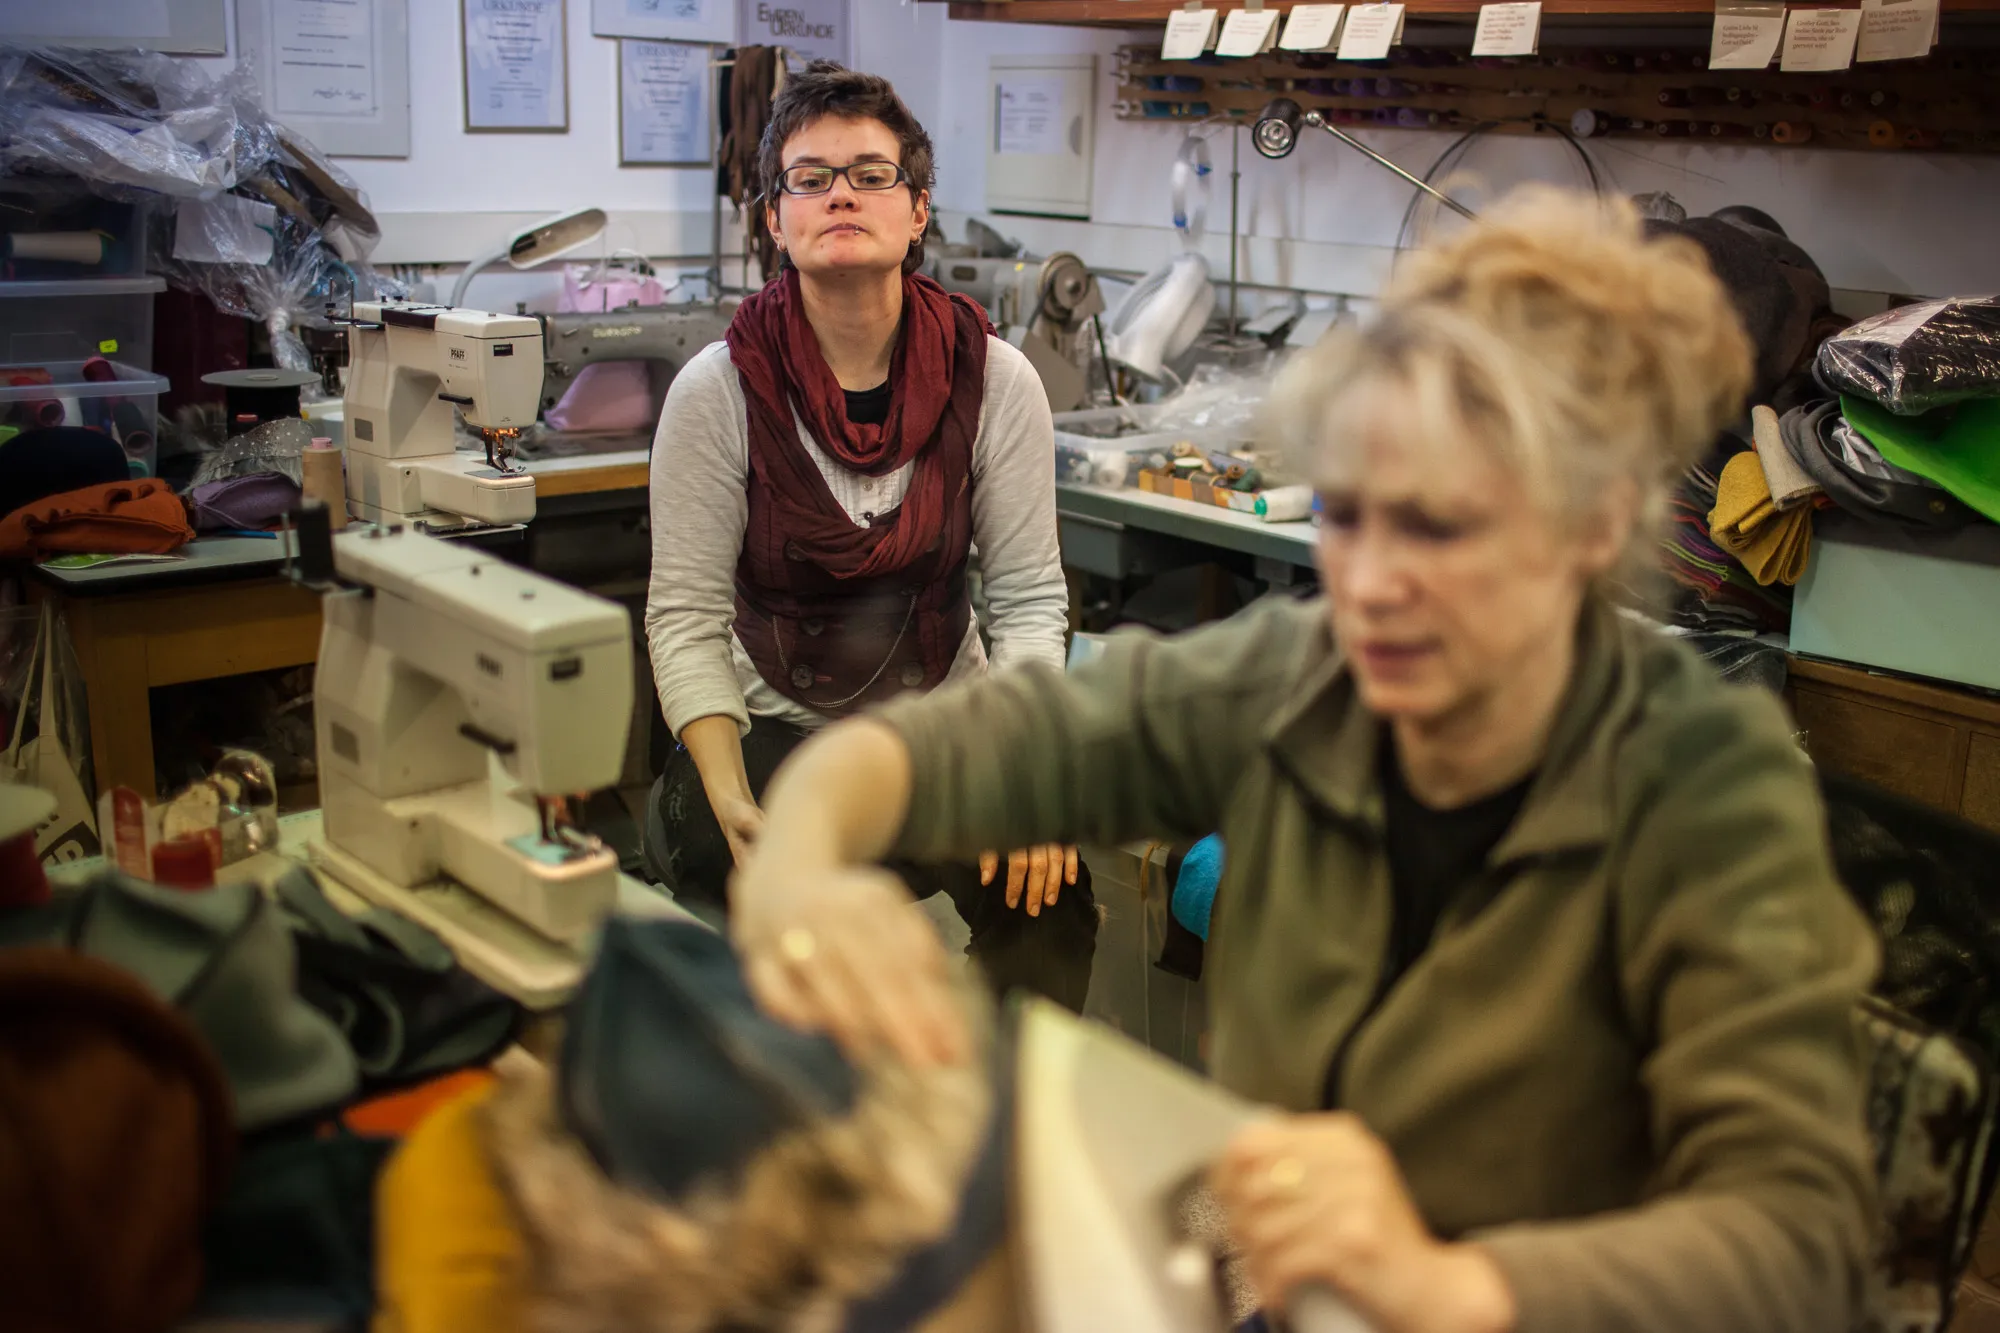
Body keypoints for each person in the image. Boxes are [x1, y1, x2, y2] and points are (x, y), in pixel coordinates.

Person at [729, 188, 1880, 1333]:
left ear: (1588, 528)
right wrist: (803, 855)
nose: (1369, 583)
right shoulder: (1306, 679)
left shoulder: (1703, 783)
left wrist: (1450, 1286)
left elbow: (1800, 1243)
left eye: (1440, 526)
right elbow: (970, 748)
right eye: (1345, 515)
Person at [642, 62, 1096, 1010]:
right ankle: (772, 1134)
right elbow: (684, 617)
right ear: (775, 218)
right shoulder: (715, 392)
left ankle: (993, 1128)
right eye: (808, 177)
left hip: (943, 729)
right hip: (775, 732)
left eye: (871, 173)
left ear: (918, 209)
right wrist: (729, 798)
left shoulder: (997, 380)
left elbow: (1026, 603)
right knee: (712, 875)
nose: (840, 193)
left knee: (1052, 897)